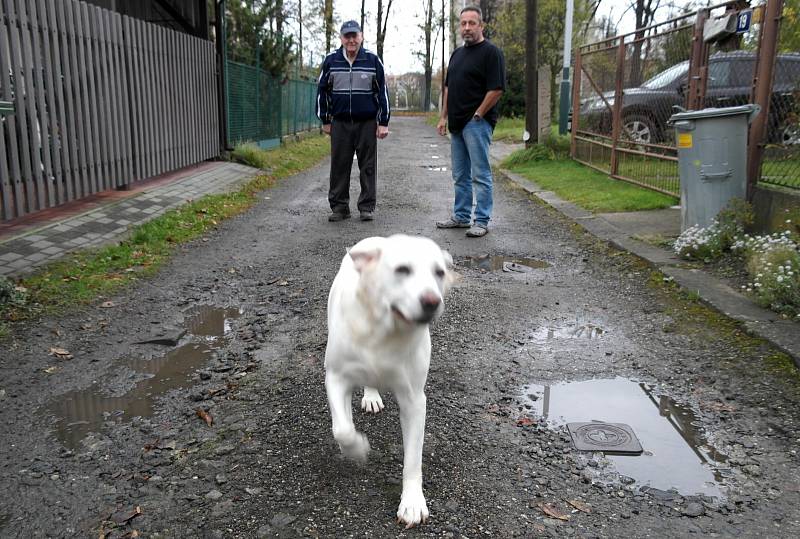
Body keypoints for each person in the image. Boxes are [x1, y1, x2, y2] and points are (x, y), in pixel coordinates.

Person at [436, 6, 505, 238]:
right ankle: (462, 216)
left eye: (471, 23)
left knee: (480, 174)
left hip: (476, 124)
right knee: (460, 175)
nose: (466, 27)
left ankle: (482, 220)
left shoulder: (491, 53)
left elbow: (496, 89)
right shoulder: (456, 54)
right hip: (456, 124)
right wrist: (443, 117)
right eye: (463, 23)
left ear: (481, 26)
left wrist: (479, 113)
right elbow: (448, 87)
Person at [317, 20, 390, 222]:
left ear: (361, 37)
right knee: (339, 165)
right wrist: (325, 118)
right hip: (339, 122)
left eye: (354, 35)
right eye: (347, 36)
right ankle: (340, 207)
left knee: (367, 165)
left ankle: (366, 207)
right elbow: (322, 90)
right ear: (341, 38)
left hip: (366, 122)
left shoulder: (373, 60)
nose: (351, 40)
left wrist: (383, 121)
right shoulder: (331, 61)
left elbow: (382, 91)